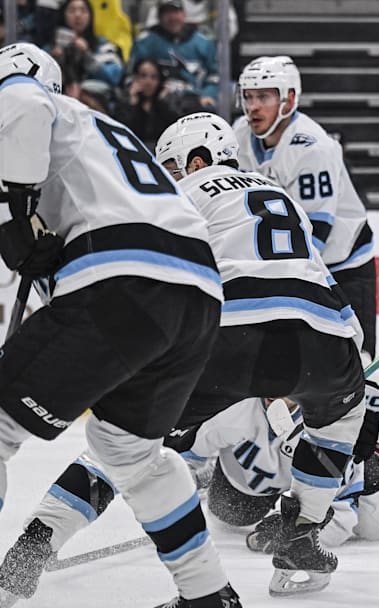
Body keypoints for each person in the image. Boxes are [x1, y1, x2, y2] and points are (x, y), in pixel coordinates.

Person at [0, 111, 379, 601]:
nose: (168, 180)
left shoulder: (180, 196)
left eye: (173, 168)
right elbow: (322, 287)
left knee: (121, 444)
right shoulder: (284, 197)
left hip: (228, 332)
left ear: (197, 159)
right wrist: (353, 392)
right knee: (339, 422)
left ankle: (34, 546)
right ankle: (304, 532)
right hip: (325, 336)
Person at [0, 43, 240, 607]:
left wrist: (13, 214)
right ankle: (208, 594)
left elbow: (21, 100)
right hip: (198, 297)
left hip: (123, 283)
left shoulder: (27, 99)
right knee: (128, 451)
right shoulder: (101, 131)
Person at [232, 55, 379, 512]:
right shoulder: (237, 140)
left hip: (340, 267)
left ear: (288, 99)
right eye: (248, 96)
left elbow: (318, 237)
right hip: (289, 269)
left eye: (264, 96)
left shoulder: (314, 147)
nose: (254, 106)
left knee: (359, 369)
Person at [169, 397, 379, 548]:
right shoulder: (232, 410)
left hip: (317, 480)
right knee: (228, 514)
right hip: (260, 479)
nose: (274, 391)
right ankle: (213, 470)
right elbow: (180, 457)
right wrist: (175, 491)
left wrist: (293, 531)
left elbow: (341, 518)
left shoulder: (326, 417)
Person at [128, 0, 218, 112]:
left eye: (175, 12)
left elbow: (215, 76)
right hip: (156, 104)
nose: (172, 17)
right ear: (159, 17)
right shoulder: (145, 43)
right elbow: (131, 76)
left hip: (196, 101)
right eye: (166, 13)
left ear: (184, 14)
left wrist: (207, 94)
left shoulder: (204, 42)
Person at [46, 0, 123, 99]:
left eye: (83, 11)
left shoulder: (104, 46)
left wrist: (87, 54)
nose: (77, 15)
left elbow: (113, 78)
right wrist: (55, 59)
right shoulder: (51, 48)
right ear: (63, 15)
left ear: (90, 15)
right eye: (72, 11)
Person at [112, 58, 179, 146]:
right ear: (135, 78)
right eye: (143, 76)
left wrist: (163, 103)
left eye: (154, 77)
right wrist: (133, 103)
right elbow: (121, 133)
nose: (148, 82)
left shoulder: (166, 103)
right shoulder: (124, 102)